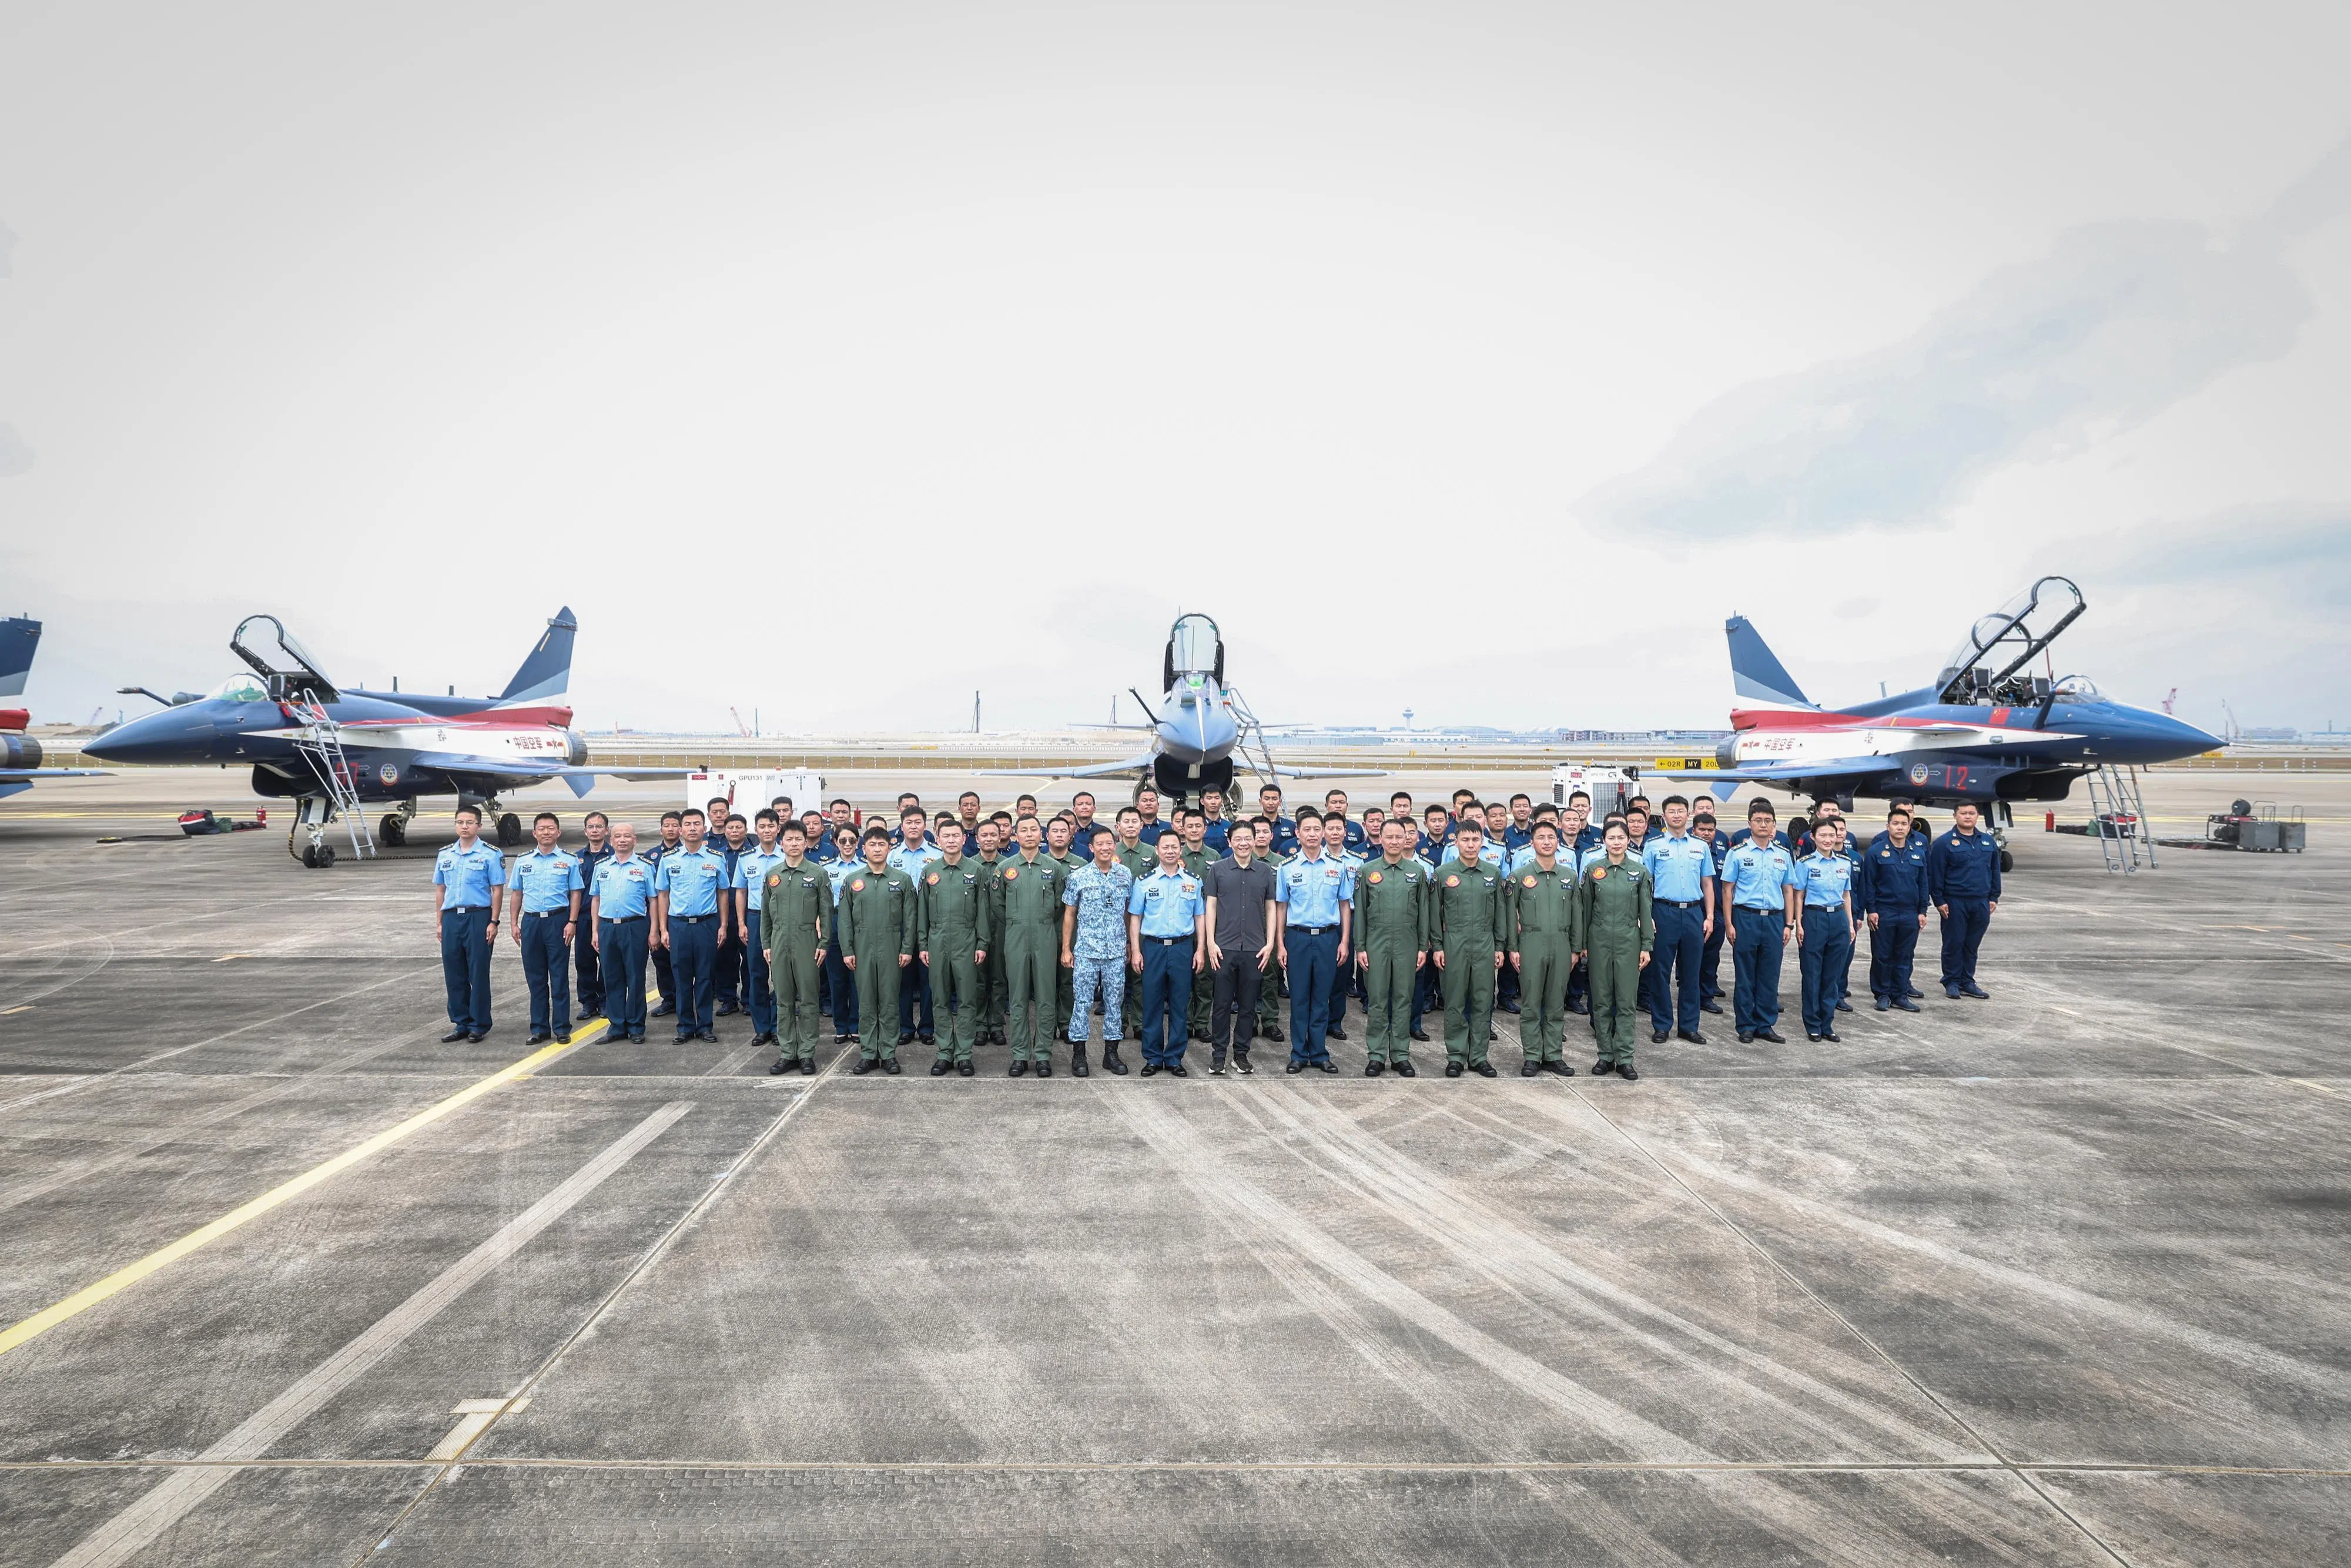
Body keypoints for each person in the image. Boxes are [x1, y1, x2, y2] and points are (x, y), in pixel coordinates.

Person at [1275, 808, 1353, 1074]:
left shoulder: (1337, 867)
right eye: (1306, 829)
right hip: (1297, 938)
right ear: (1297, 834)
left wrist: (1344, 941)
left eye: (1316, 829)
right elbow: (1281, 908)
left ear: (1323, 833)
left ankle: (1319, 1053)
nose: (1312, 834)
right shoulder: (1286, 868)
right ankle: (1299, 1053)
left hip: (1328, 938)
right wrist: (1280, 943)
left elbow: (1344, 905)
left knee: (1322, 997)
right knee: (1299, 998)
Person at [1575, 820, 1653, 1079]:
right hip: (1599, 941)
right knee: (1602, 1000)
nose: (1616, 842)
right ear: (1604, 841)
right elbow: (1584, 909)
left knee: (1627, 1002)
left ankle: (1625, 1058)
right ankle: (1605, 1056)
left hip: (1629, 941)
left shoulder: (1639, 872)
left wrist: (1646, 945)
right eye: (1611, 838)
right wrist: (1582, 944)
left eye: (1621, 837)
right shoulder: (1593, 870)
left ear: (1628, 840)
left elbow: (1645, 911)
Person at [1127, 832, 1207, 1075]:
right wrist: (1137, 951)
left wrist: (1200, 949)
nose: (1170, 851)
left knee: (1180, 1003)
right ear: (1157, 851)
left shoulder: (1193, 881)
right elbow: (1135, 917)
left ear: (1180, 850)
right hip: (1153, 948)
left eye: (1175, 847)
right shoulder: (1144, 881)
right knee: (1151, 1004)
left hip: (1183, 948)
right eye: (1166, 847)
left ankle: (1174, 1057)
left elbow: (1200, 917)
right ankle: (1152, 1057)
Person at [917, 818, 992, 1077]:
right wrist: (923, 943)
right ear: (938, 840)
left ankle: (964, 1055)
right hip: (937, 941)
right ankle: (944, 1053)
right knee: (939, 999)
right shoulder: (930, 873)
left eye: (955, 836)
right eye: (945, 836)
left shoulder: (976, 871)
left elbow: (983, 910)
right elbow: (922, 912)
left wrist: (983, 942)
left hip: (966, 940)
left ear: (964, 839)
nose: (950, 840)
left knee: (967, 1000)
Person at [1354, 816, 1428, 1077]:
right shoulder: (1367, 871)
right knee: (1377, 1000)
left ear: (1407, 839)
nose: (1395, 841)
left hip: (1408, 944)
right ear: (1381, 839)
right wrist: (1360, 947)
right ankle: (1376, 1056)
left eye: (1401, 836)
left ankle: (1400, 1055)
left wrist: (1423, 947)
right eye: (1390, 837)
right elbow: (1360, 912)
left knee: (1403, 998)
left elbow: (1424, 913)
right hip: (1376, 943)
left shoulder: (1417, 872)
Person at [993, 815, 1067, 1076]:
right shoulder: (1005, 869)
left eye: (1034, 829)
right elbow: (998, 905)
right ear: (1015, 835)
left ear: (1042, 834)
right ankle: (1021, 1054)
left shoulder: (1054, 868)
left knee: (1047, 996)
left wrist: (1044, 922)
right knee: (1018, 997)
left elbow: (1060, 905)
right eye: (1023, 830)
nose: (1029, 834)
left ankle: (1044, 1054)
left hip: (1046, 935)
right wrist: (1015, 922)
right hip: (1015, 935)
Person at [1720, 800, 1799, 1045]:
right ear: (1750, 824)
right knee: (1745, 975)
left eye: (1768, 821)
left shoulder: (1783, 855)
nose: (1763, 825)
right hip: (1746, 918)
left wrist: (1788, 924)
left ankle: (1765, 1024)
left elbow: (1788, 891)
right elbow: (1727, 891)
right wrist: (1729, 924)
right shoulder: (1738, 853)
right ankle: (1745, 1025)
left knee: (1770, 975)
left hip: (1775, 921)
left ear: (1774, 825)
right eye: (1758, 820)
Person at [838, 828, 917, 1074]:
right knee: (867, 1002)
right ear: (864, 849)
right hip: (862, 947)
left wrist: (907, 948)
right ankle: (869, 1053)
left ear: (889, 848)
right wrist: (847, 950)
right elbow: (845, 920)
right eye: (872, 844)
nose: (877, 849)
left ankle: (889, 1054)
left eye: (882, 844)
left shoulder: (902, 880)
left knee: (890, 1001)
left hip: (892, 945)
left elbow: (911, 918)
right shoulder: (853, 881)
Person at [1640, 796, 1716, 1047]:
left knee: (1691, 972)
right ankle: (1662, 1025)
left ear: (1689, 815)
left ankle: (1689, 1027)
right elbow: (1645, 886)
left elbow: (1707, 883)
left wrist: (1710, 916)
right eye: (1671, 811)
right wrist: (1647, 916)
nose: (1676, 815)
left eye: (1681, 811)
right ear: (1664, 817)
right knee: (1660, 972)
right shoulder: (1653, 846)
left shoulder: (1700, 846)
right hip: (1664, 912)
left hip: (1694, 913)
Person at [1429, 820, 1503, 1077]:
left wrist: (1500, 946)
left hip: (1484, 943)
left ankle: (1479, 1057)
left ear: (1482, 842)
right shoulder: (1443, 874)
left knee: (1483, 1001)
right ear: (1456, 842)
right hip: (1454, 944)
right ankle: (1456, 1056)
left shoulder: (1493, 873)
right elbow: (1434, 914)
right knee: (1455, 1001)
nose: (1470, 845)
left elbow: (1500, 914)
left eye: (1475, 840)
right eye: (1465, 840)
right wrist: (1437, 946)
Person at [759, 819, 832, 1074]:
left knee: (809, 1000)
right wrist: (766, 943)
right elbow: (765, 915)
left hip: (807, 941)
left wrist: (824, 943)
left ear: (805, 843)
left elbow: (826, 912)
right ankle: (788, 1052)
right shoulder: (773, 875)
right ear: (782, 843)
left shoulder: (818, 874)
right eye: (789, 839)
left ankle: (807, 1054)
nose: (794, 844)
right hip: (779, 942)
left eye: (798, 839)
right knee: (783, 999)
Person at [1204, 817, 1277, 1076]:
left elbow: (1271, 908)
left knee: (1248, 1006)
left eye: (1249, 838)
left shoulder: (1266, 872)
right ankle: (1219, 1055)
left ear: (1255, 839)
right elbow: (1210, 906)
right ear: (1230, 841)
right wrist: (1211, 942)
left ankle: (1241, 1054)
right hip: (1224, 947)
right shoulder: (1218, 870)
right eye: (1239, 839)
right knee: (1222, 1004)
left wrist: (1270, 943)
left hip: (1255, 948)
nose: (1244, 843)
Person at [1059, 825, 1132, 1077]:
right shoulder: (1079, 877)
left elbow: (1127, 912)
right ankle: (1079, 1055)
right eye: (1099, 844)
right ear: (1091, 848)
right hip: (1087, 951)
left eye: (1109, 843)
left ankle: (1111, 1054)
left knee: (1114, 1003)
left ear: (1115, 845)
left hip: (1115, 952)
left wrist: (1130, 944)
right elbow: (1069, 914)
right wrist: (1066, 949)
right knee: (1082, 1003)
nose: (1105, 848)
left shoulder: (1125, 875)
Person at [505, 810, 583, 1045]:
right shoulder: (523, 860)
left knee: (558, 976)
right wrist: (513, 923)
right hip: (531, 922)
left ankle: (561, 1027)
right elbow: (517, 894)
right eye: (542, 828)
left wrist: (572, 922)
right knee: (536, 977)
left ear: (558, 833)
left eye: (551, 829)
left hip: (558, 921)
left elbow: (576, 893)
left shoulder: (569, 861)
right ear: (534, 833)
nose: (546, 832)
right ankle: (539, 1028)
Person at [1507, 819, 1578, 1076]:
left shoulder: (1569, 877)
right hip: (1531, 943)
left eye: (1551, 837)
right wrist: (1513, 948)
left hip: (1561, 943)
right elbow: (1509, 914)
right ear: (1532, 843)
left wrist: (1575, 948)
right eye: (1541, 837)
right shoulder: (1520, 877)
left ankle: (1553, 1055)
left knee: (1556, 1002)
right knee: (1531, 1002)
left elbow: (1577, 914)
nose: (1547, 842)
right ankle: (1532, 1056)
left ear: (1558, 843)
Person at [653, 808, 728, 1044]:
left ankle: (705, 1025)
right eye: (688, 824)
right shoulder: (668, 860)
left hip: (706, 924)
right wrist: (663, 929)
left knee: (705, 976)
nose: (693, 828)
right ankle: (685, 1026)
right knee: (681, 977)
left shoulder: (716, 858)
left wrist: (723, 925)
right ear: (681, 829)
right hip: (678, 925)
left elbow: (723, 893)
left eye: (697, 824)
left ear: (704, 828)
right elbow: (663, 895)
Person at [433, 805, 505, 1043]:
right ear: (455, 825)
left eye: (470, 822)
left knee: (478, 971)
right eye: (460, 822)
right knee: (454, 972)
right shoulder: (445, 854)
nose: (465, 827)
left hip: (478, 916)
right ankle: (460, 1022)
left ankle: (479, 1024)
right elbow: (441, 889)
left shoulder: (491, 854)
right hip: (452, 917)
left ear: (479, 826)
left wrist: (494, 921)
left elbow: (497, 890)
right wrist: (440, 921)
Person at [1927, 802, 2001, 999]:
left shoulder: (1988, 842)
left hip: (1980, 902)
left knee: (1972, 944)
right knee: (1954, 942)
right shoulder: (1944, 843)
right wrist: (1939, 901)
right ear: (1955, 816)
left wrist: (1994, 896)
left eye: (1972, 813)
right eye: (1963, 813)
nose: (1968, 817)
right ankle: (1951, 981)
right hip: (1954, 902)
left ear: (1978, 816)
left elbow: (1994, 870)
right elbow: (1936, 875)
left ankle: (1967, 980)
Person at [588, 822, 654, 1042]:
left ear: (635, 840)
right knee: (612, 977)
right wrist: (595, 931)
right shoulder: (602, 866)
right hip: (607, 927)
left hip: (634, 926)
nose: (622, 840)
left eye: (627, 836)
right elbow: (595, 899)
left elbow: (653, 901)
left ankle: (636, 1026)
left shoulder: (645, 866)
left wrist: (654, 930)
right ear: (611, 840)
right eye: (618, 836)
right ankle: (616, 1026)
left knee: (635, 977)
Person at [1861, 805, 1930, 1011]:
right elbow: (1869, 883)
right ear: (1888, 826)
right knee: (1882, 955)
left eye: (1904, 824)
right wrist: (1871, 910)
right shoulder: (1875, 852)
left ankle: (1900, 994)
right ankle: (1882, 994)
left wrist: (1923, 911)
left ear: (1910, 827)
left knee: (1905, 955)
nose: (1900, 828)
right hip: (1884, 912)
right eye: (1895, 824)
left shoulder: (1918, 853)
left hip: (1910, 913)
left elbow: (1923, 883)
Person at [1795, 816, 1858, 1041]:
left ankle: (1827, 1023)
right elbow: (1799, 895)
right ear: (1813, 837)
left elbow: (1846, 895)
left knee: (1832, 975)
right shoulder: (1805, 864)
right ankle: (1812, 1023)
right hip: (1814, 917)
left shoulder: (1844, 863)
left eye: (1832, 835)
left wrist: (1850, 924)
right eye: (1823, 835)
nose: (1828, 839)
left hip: (1838, 918)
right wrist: (1798, 924)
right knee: (1813, 973)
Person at [733, 810, 791, 1053]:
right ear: (756, 830)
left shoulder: (788, 856)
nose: (767, 830)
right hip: (756, 919)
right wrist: (742, 923)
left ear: (779, 829)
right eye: (762, 826)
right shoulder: (746, 859)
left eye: (771, 826)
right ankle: (762, 1027)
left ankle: (779, 1026)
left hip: (782, 920)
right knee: (756, 974)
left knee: (781, 975)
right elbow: (741, 892)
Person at [888, 809, 944, 1049]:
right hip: (899, 922)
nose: (913, 826)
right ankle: (905, 1027)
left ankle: (928, 1027)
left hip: (930, 921)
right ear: (901, 826)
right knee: (903, 978)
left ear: (925, 826)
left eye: (918, 822)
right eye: (908, 822)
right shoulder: (892, 856)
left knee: (930, 977)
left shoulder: (937, 855)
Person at [822, 825, 863, 1044]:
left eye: (852, 841)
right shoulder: (825, 869)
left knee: (857, 978)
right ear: (835, 842)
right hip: (835, 921)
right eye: (843, 841)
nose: (848, 845)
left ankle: (856, 1024)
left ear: (858, 842)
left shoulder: (866, 867)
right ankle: (841, 1025)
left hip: (860, 923)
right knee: (836, 978)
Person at [573, 810, 612, 1020]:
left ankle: (605, 1001)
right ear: (585, 831)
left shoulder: (615, 856)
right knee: (584, 961)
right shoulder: (576, 859)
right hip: (583, 918)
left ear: (607, 831)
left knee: (607, 961)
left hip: (606, 918)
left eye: (599, 827)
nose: (595, 830)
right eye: (591, 827)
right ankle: (588, 1002)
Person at [1692, 809, 1731, 1017]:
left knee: (1711, 958)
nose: (1706, 833)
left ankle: (1706, 997)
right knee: (1690, 958)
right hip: (1692, 912)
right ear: (1694, 830)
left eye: (1711, 830)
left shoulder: (1724, 854)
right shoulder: (1689, 850)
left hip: (1716, 913)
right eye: (1702, 830)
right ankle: (1689, 995)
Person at [711, 812, 751, 1016]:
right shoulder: (715, 855)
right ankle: (728, 999)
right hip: (723, 915)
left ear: (746, 830)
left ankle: (749, 999)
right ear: (724, 831)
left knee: (750, 959)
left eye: (739, 828)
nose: (735, 831)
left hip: (748, 914)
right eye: (731, 828)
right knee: (725, 959)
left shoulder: (752, 854)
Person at [645, 810, 684, 1016]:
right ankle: (669, 998)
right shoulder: (650, 856)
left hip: (679, 914)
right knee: (660, 957)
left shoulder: (687, 852)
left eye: (674, 825)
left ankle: (685, 998)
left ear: (681, 828)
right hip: (657, 913)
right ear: (661, 829)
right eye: (667, 826)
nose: (671, 829)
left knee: (682, 959)